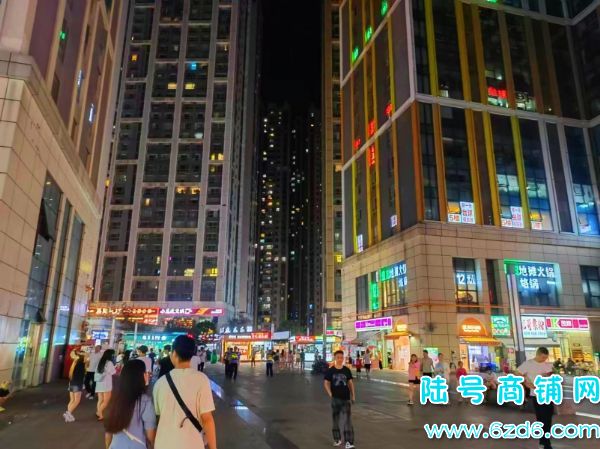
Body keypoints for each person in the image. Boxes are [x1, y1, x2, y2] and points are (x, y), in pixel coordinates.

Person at [153, 335, 217, 449]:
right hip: (192, 443)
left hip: (164, 443)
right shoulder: (201, 380)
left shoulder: (160, 383)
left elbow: (158, 416)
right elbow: (207, 419)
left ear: (174, 353)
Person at [104, 359, 156, 449]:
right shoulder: (145, 401)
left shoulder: (115, 399)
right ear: (141, 377)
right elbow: (150, 435)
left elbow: (108, 434)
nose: (147, 375)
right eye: (145, 373)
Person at [517, 347, 554, 449]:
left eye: (546, 358)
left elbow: (550, 375)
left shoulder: (546, 365)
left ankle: (546, 441)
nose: (544, 360)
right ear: (537, 355)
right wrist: (526, 382)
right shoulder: (528, 364)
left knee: (548, 418)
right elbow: (518, 373)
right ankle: (544, 443)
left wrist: (548, 376)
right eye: (542, 357)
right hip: (537, 395)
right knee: (541, 419)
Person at [324, 350, 355, 449]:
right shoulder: (331, 371)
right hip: (335, 399)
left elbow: (350, 383)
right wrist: (330, 394)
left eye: (341, 357)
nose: (340, 359)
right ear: (335, 358)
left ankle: (349, 442)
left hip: (346, 399)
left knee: (347, 421)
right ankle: (337, 439)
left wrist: (353, 396)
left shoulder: (346, 370)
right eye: (338, 357)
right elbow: (326, 383)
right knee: (336, 420)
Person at [64, 351, 86, 422]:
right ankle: (68, 414)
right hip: (77, 383)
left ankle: (68, 416)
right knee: (76, 401)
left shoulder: (75, 362)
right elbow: (82, 374)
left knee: (72, 400)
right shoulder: (81, 363)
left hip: (72, 382)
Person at [95, 349, 116, 421]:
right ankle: (99, 413)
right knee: (106, 401)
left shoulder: (100, 361)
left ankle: (99, 413)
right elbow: (113, 372)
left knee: (100, 400)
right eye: (113, 354)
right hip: (106, 384)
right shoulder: (109, 363)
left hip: (99, 382)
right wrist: (115, 366)